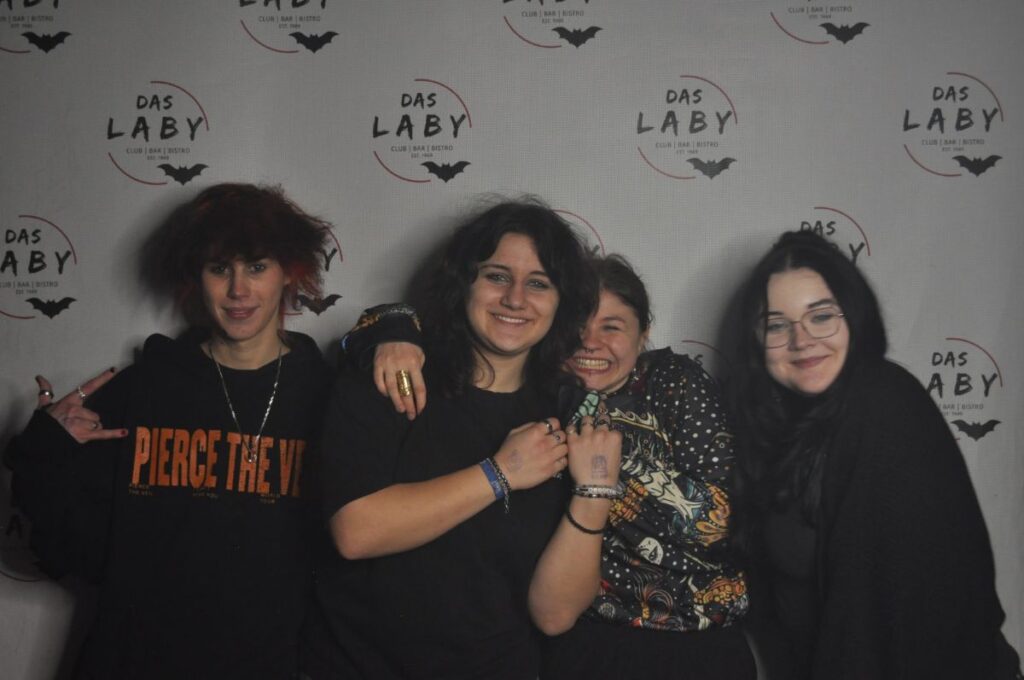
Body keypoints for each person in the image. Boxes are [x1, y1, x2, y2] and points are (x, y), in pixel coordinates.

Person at [347, 255, 754, 679]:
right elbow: (414, 323)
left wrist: (610, 465)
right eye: (576, 326)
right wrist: (393, 329)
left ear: (643, 333)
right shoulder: (541, 394)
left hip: (698, 639)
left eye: (612, 327)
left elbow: (715, 522)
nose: (589, 343)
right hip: (587, 640)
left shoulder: (673, 381)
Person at [4, 183, 334, 679]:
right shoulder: (143, 390)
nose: (238, 290)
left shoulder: (328, 399)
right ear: (196, 276)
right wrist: (44, 453)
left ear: (289, 271)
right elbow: (70, 550)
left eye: (256, 267)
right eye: (219, 268)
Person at [300, 199, 616, 680]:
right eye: (496, 276)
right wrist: (500, 472)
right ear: (463, 283)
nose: (515, 299)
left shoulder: (568, 415)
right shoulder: (395, 375)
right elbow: (356, 532)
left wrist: (595, 492)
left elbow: (555, 616)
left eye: (538, 283)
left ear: (562, 301)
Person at [727, 230, 1021, 679]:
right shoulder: (775, 428)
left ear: (855, 316)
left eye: (821, 317)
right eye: (777, 325)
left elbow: (900, 620)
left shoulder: (884, 403)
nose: (801, 340)